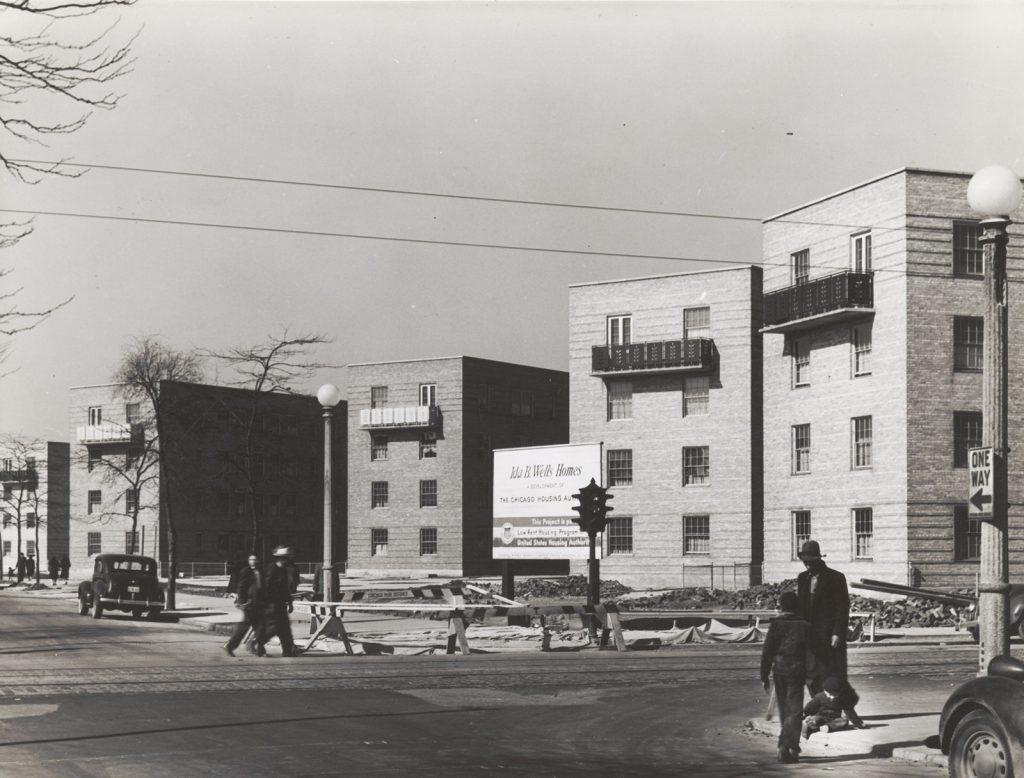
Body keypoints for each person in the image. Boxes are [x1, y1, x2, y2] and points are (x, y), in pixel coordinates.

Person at [760, 591, 816, 763]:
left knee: (785, 711)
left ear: (782, 606)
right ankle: (789, 747)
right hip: (797, 672)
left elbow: (767, 650)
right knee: (795, 711)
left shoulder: (776, 624)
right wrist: (812, 676)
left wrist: (764, 675)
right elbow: (811, 653)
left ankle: (786, 747)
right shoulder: (806, 626)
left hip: (780, 671)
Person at [796, 540, 850, 695]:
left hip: (828, 635)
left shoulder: (835, 578)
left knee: (830, 674)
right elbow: (801, 607)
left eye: (811, 562)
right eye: (805, 562)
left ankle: (832, 711)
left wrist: (837, 632)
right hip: (809, 635)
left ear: (818, 559)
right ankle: (818, 705)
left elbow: (842, 607)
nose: (807, 566)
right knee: (810, 674)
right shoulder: (802, 578)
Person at [256, 546, 298, 658]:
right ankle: (257, 643)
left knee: (285, 629)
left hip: (281, 604)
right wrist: (267, 604)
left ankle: (288, 651)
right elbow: (266, 588)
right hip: (272, 604)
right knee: (276, 628)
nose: (289, 560)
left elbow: (285, 589)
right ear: (281, 558)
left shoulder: (283, 570)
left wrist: (290, 603)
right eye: (287, 558)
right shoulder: (271, 569)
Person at [224, 554, 264, 657]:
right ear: (249, 561)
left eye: (255, 559)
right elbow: (241, 587)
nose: (253, 561)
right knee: (244, 627)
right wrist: (242, 602)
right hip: (249, 603)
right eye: (251, 559)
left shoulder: (260, 571)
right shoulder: (246, 571)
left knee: (259, 627)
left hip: (258, 603)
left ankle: (259, 649)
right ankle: (230, 646)